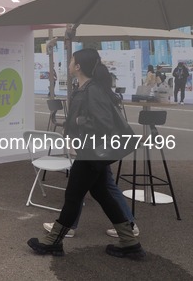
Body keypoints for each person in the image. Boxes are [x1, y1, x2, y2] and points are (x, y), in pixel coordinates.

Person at [28, 48, 145, 258]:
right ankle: (129, 242)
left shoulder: (92, 90)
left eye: (72, 60)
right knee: (101, 193)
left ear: (78, 66)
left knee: (73, 195)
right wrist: (69, 124)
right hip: (92, 152)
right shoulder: (88, 88)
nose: (70, 64)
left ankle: (53, 241)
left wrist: (76, 122)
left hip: (92, 153)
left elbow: (103, 124)